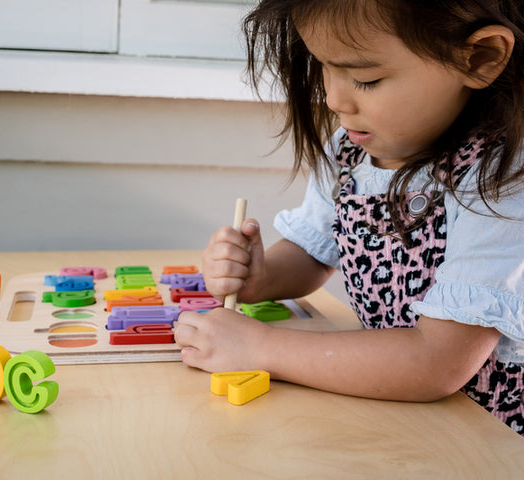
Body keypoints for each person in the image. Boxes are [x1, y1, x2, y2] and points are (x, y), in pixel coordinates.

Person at [174, 0, 524, 434]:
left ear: (480, 57)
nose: (335, 99)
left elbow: (437, 362)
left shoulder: (503, 181)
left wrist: (260, 347)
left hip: (487, 435)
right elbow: (313, 254)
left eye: (365, 79)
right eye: (323, 66)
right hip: (394, 412)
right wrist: (257, 277)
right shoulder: (353, 149)